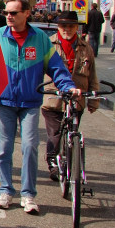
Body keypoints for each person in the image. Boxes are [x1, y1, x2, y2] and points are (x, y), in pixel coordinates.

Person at [0, 0, 78, 215]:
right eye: (6, 12)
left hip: (30, 102)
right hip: (4, 101)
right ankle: (5, 190)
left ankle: (28, 194)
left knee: (30, 147)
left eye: (13, 12)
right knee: (3, 149)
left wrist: (67, 86)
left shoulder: (40, 38)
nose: (9, 16)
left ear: (27, 13)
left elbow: (56, 67)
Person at [40, 11, 99, 181]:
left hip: (77, 100)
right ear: (58, 27)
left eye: (71, 26)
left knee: (72, 133)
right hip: (53, 98)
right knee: (55, 134)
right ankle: (52, 161)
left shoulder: (86, 47)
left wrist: (93, 101)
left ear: (77, 28)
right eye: (64, 26)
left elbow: (93, 75)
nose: (67, 29)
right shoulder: (48, 44)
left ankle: (70, 163)